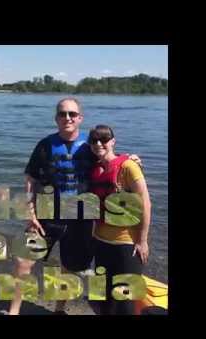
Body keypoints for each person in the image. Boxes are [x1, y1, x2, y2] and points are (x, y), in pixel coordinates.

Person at [8, 98, 141, 315]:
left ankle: (59, 309)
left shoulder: (90, 146)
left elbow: (111, 159)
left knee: (68, 267)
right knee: (24, 261)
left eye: (72, 114)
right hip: (46, 216)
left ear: (80, 118)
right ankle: (13, 311)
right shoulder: (45, 145)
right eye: (62, 114)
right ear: (56, 119)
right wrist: (29, 212)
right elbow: (31, 179)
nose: (67, 118)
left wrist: (130, 158)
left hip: (82, 219)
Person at [88, 125, 151, 315]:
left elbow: (145, 205)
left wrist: (142, 240)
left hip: (126, 245)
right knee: (103, 298)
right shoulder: (96, 169)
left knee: (125, 300)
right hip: (100, 242)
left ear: (113, 142)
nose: (99, 144)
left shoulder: (128, 166)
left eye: (104, 139)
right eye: (94, 140)